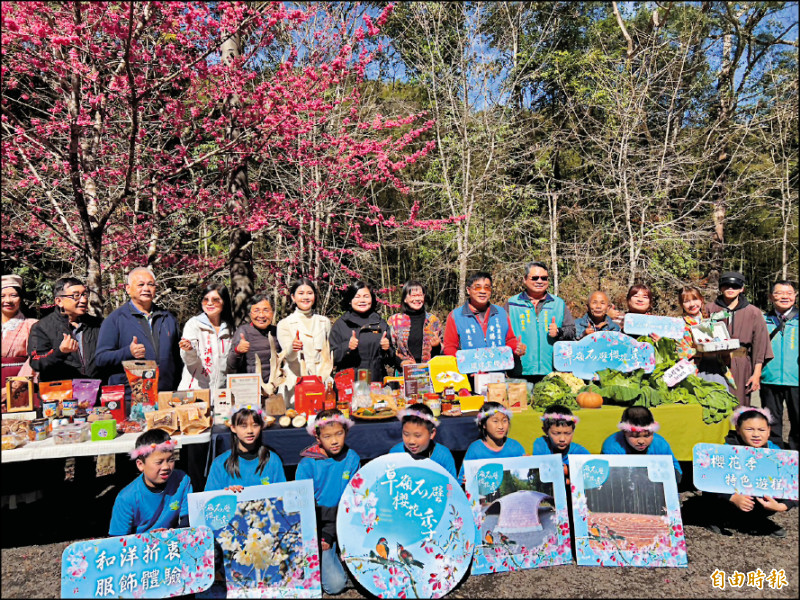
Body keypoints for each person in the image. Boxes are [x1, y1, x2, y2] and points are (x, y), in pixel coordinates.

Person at [296, 409, 360, 595]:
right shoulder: (307, 465)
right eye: (327, 436)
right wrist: (325, 535)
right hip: (321, 527)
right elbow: (304, 509)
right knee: (335, 585)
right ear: (318, 438)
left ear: (346, 432)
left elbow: (355, 498)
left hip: (346, 522)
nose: (334, 441)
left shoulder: (352, 458)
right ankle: (331, 559)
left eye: (339, 434)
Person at [706, 407, 796, 537]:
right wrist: (732, 497)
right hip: (730, 498)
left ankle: (756, 520)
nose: (756, 434)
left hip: (756, 499)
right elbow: (708, 478)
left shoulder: (775, 451)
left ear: (769, 431)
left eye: (761, 430)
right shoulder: (726, 449)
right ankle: (716, 518)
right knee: (711, 482)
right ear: (738, 429)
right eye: (749, 429)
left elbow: (793, 482)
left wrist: (782, 506)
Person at [95, 267, 183, 399]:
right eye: (141, 284)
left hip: (166, 394)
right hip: (133, 397)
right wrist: (128, 353)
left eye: (150, 284)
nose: (146, 289)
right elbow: (101, 358)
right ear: (128, 288)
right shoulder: (115, 319)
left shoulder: (167, 318)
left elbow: (177, 358)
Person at [705, 271, 773, 407]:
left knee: (739, 406)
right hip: (713, 364)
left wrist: (756, 374)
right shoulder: (709, 308)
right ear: (720, 287)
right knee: (713, 403)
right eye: (726, 285)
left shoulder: (753, 312)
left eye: (735, 286)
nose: (730, 289)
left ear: (742, 288)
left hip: (741, 364)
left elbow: (760, 345)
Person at [108, 429, 192, 536]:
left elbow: (188, 517)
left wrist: (172, 535)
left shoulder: (182, 480)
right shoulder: (126, 498)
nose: (166, 467)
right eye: (159, 462)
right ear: (140, 465)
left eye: (171, 460)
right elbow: (117, 539)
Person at [504, 262, 573, 383]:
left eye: (544, 278)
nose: (540, 281)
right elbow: (502, 335)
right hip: (519, 371)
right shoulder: (512, 304)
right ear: (525, 279)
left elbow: (572, 331)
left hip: (551, 371)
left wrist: (558, 332)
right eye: (535, 278)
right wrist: (513, 347)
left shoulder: (558, 303)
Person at [28, 276, 103, 382]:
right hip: (61, 393)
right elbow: (36, 362)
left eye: (85, 294)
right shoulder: (42, 327)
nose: (84, 300)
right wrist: (60, 352)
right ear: (59, 301)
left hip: (96, 390)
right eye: (76, 296)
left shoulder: (98, 324)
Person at [443, 272, 523, 362]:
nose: (483, 291)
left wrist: (516, 347)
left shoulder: (501, 313)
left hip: (497, 372)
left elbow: (509, 340)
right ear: (468, 290)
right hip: (469, 372)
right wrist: (464, 365)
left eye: (487, 287)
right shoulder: (456, 316)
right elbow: (449, 347)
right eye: (477, 287)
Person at [205, 404, 286, 491]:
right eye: (243, 426)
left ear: (262, 426)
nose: (250, 431)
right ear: (233, 428)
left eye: (255, 425)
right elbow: (210, 499)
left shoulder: (272, 460)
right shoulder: (220, 464)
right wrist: (227, 496)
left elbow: (282, 495)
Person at [276, 278, 333, 399]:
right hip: (295, 383)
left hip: (320, 380)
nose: (305, 297)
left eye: (309, 293)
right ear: (293, 297)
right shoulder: (284, 324)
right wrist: (293, 347)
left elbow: (326, 353)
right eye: (301, 293)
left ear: (315, 296)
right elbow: (288, 356)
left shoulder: (324, 322)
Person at [329, 281, 395, 384]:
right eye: (357, 297)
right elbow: (330, 358)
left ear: (372, 299)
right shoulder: (341, 324)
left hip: (376, 381)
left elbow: (391, 359)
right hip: (348, 384)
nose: (362, 300)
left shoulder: (380, 323)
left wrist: (387, 349)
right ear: (350, 300)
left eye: (366, 296)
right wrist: (347, 346)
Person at [760, 281, 798, 450]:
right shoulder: (762, 320)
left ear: (795, 296)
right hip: (769, 378)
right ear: (770, 297)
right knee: (771, 422)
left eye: (789, 293)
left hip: (796, 379)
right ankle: (774, 456)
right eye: (779, 293)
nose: (785, 296)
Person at [601, 406, 682, 483]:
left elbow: (675, 470)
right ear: (625, 432)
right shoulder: (612, 447)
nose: (641, 441)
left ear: (653, 432)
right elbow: (608, 477)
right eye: (635, 436)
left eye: (647, 436)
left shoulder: (660, 444)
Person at [178, 283, 235, 391]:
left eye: (215, 300)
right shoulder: (193, 324)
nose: (209, 303)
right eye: (206, 300)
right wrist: (189, 349)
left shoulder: (230, 329)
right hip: (195, 391)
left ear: (224, 302)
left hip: (220, 394)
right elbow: (189, 360)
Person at [676, 285, 734, 389]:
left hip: (717, 368)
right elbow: (680, 351)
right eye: (686, 301)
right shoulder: (680, 325)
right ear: (681, 304)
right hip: (695, 370)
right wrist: (700, 352)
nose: (692, 304)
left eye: (695, 299)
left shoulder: (711, 321)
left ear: (701, 300)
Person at [458, 402, 525, 484]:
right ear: (483, 424)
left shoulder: (515, 447)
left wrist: (531, 464)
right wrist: (466, 480)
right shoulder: (475, 449)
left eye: (504, 421)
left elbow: (523, 475)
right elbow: (461, 479)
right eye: (495, 421)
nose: (501, 426)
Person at [389, 403, 457, 479]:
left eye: (417, 436)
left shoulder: (443, 456)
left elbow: (452, 486)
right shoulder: (395, 453)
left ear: (431, 433)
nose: (411, 441)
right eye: (406, 434)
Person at [226, 293, 282, 385]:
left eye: (266, 310)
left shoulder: (277, 332)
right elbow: (231, 365)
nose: (261, 315)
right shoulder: (243, 331)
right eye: (256, 311)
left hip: (274, 387)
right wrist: (238, 351)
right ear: (250, 314)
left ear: (272, 312)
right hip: (251, 387)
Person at [387, 280, 442, 369]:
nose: (417, 299)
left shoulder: (433, 321)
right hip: (404, 373)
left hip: (429, 371)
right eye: (413, 295)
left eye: (420, 295)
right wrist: (400, 362)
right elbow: (388, 350)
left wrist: (437, 346)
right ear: (405, 299)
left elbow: (443, 352)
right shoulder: (395, 321)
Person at [1, 274, 37, 408]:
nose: (8, 300)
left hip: (21, 386)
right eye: (2, 296)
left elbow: (36, 357)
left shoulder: (32, 325)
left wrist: (12, 387)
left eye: (13, 295)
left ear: (21, 298)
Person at [532, 404, 589, 482]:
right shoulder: (541, 444)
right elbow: (538, 469)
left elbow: (590, 472)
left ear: (573, 430)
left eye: (567, 433)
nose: (562, 439)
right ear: (545, 431)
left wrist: (568, 471)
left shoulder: (580, 452)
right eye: (556, 433)